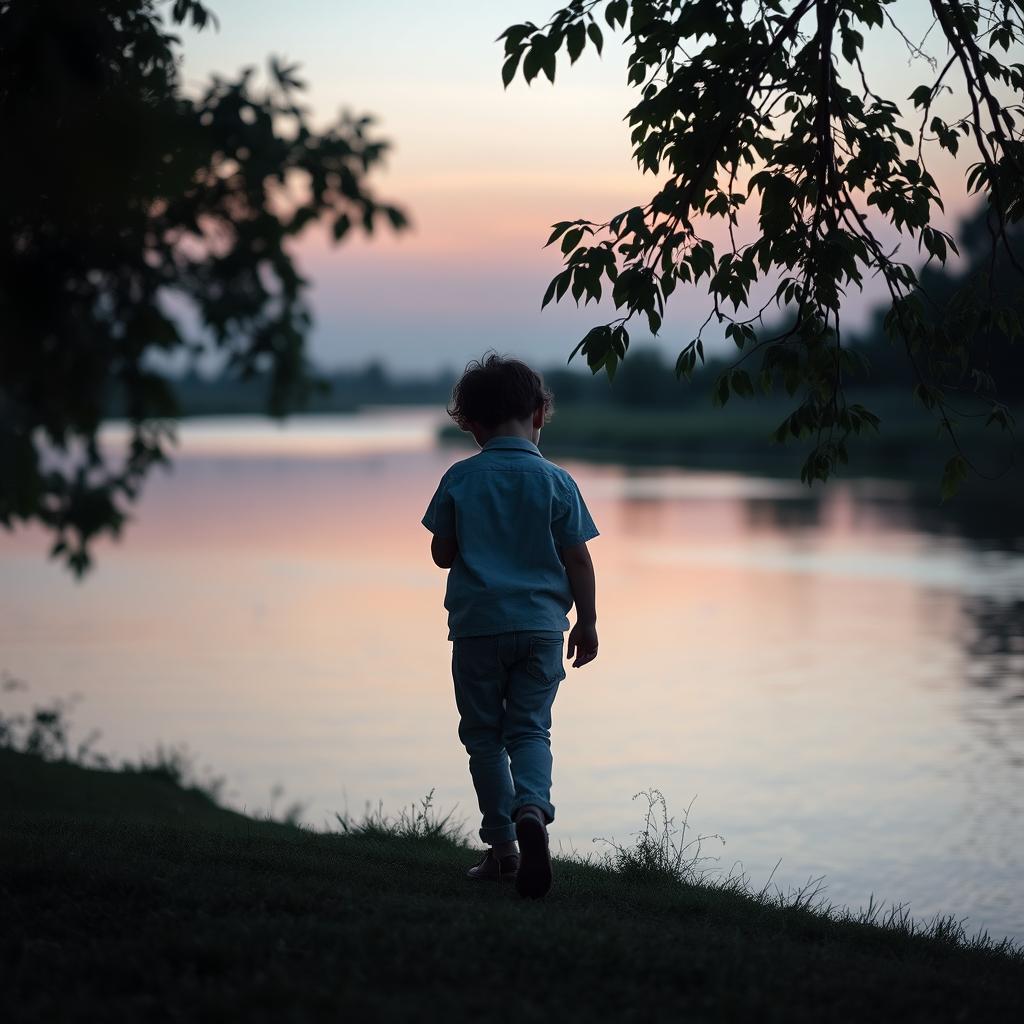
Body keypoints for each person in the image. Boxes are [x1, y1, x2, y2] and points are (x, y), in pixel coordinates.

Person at [421, 353, 599, 899]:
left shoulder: (460, 477)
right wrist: (587, 622)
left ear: (471, 425)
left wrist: (464, 537)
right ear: (539, 414)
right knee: (529, 729)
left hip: (477, 629)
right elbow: (578, 561)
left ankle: (502, 850)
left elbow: (443, 554)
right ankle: (532, 808)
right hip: (542, 629)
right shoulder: (558, 482)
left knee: (482, 738)